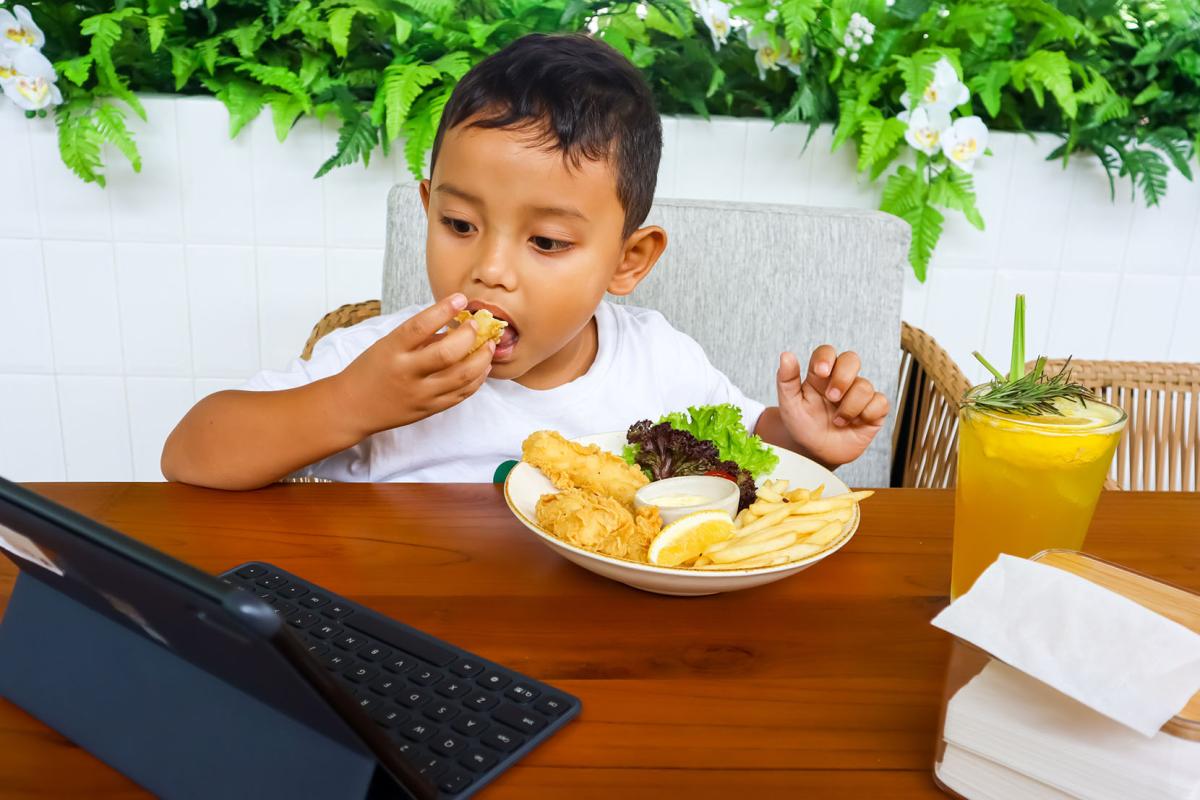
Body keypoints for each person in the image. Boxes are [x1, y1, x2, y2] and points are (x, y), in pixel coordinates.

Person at [161, 33, 889, 490]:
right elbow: (191, 454)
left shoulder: (656, 365)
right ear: (426, 208)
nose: (491, 270)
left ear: (627, 262)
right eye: (458, 223)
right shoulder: (383, 362)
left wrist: (798, 440)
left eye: (546, 242)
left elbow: (743, 456)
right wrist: (352, 404)